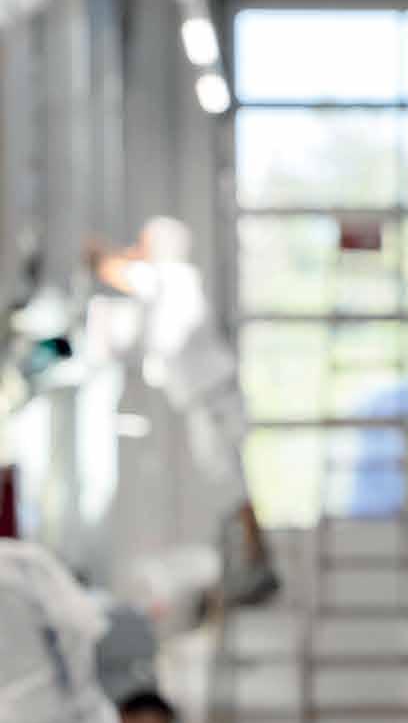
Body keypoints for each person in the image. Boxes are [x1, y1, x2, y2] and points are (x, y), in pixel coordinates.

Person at [88, 217, 279, 611]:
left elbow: (110, 268)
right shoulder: (176, 282)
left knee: (230, 488)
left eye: (142, 245)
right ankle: (249, 564)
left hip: (212, 400)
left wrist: (93, 250)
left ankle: (252, 566)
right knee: (228, 489)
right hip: (211, 397)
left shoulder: (171, 279)